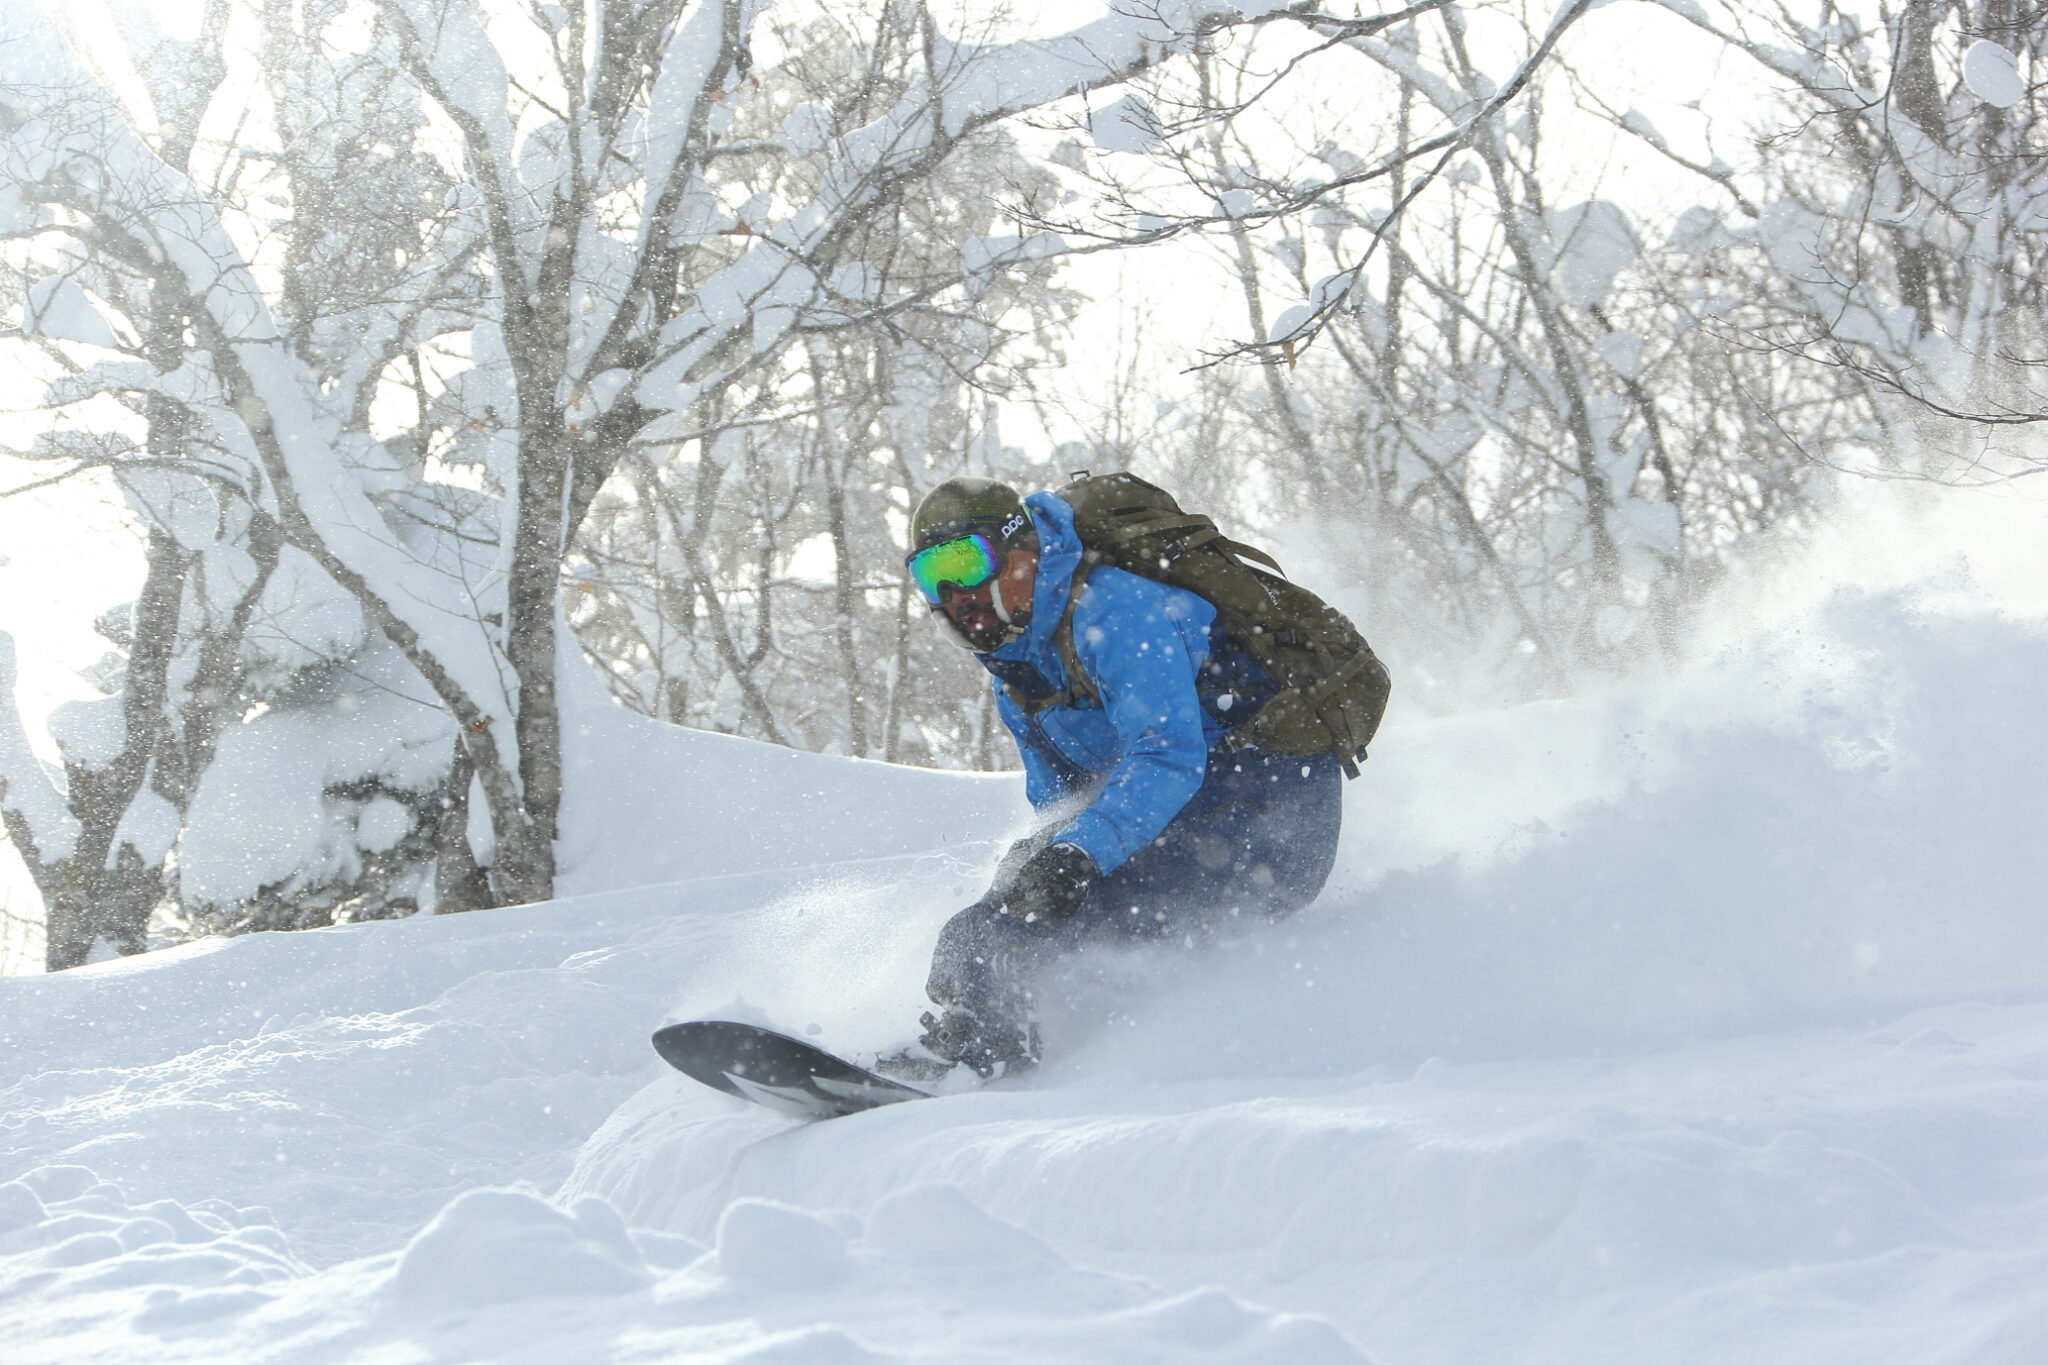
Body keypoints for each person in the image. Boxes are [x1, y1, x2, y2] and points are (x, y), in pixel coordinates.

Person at [887, 476, 1345, 1081]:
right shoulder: (1017, 675)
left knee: (1035, 920)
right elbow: (1060, 802)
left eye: (964, 561)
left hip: (1268, 827)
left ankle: (990, 1056)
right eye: (929, 573)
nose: (952, 592)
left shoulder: (1117, 611)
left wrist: (1077, 857)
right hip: (1184, 823)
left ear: (1020, 552)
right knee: (984, 926)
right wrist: (1040, 860)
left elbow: (1167, 755)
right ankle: (975, 1032)